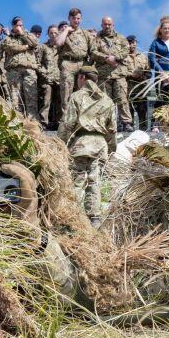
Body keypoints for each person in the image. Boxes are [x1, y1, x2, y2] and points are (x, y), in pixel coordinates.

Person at [57, 65, 117, 227]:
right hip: (100, 144)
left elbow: (68, 124)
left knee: (77, 181)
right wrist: (112, 148)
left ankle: (72, 217)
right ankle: (94, 218)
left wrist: (59, 144)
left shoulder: (77, 96)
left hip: (82, 143)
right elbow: (112, 129)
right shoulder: (107, 100)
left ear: (82, 78)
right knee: (95, 181)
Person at [92, 16, 132, 131]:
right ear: (101, 25)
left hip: (118, 73)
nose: (107, 26)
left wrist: (115, 57)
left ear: (113, 25)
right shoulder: (97, 38)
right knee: (104, 100)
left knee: (122, 99)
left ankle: (126, 123)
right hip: (104, 75)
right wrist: (105, 58)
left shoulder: (121, 38)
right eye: (105, 24)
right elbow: (93, 52)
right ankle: (105, 123)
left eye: (109, 24)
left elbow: (126, 50)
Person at [0, 16, 40, 120]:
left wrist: (22, 34)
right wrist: (26, 47)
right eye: (17, 25)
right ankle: (18, 121)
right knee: (15, 98)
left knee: (31, 97)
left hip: (29, 70)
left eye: (21, 25)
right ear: (13, 26)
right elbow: (10, 48)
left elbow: (34, 43)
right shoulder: (8, 38)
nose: (19, 27)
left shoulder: (28, 35)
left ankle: (33, 123)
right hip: (13, 71)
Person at [55, 7, 95, 108]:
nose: (76, 21)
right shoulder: (64, 31)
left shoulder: (85, 33)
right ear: (69, 18)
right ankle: (66, 121)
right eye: (74, 18)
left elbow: (93, 50)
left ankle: (80, 120)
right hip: (68, 64)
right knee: (66, 94)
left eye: (78, 18)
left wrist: (89, 65)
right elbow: (59, 43)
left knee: (82, 93)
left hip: (82, 64)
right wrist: (67, 30)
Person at [125, 34, 150, 130]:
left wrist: (143, 77)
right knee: (128, 112)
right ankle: (127, 131)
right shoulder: (123, 57)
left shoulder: (143, 57)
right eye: (129, 43)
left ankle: (143, 131)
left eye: (133, 42)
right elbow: (120, 71)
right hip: (128, 89)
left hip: (141, 89)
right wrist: (131, 75)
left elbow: (148, 72)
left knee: (143, 112)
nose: (132, 45)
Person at [39, 25, 61, 129]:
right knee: (46, 102)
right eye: (51, 33)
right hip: (47, 79)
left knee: (59, 102)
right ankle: (43, 123)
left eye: (56, 33)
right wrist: (45, 72)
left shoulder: (62, 47)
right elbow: (37, 62)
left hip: (59, 79)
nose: (53, 35)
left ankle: (58, 123)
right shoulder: (43, 47)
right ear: (48, 34)